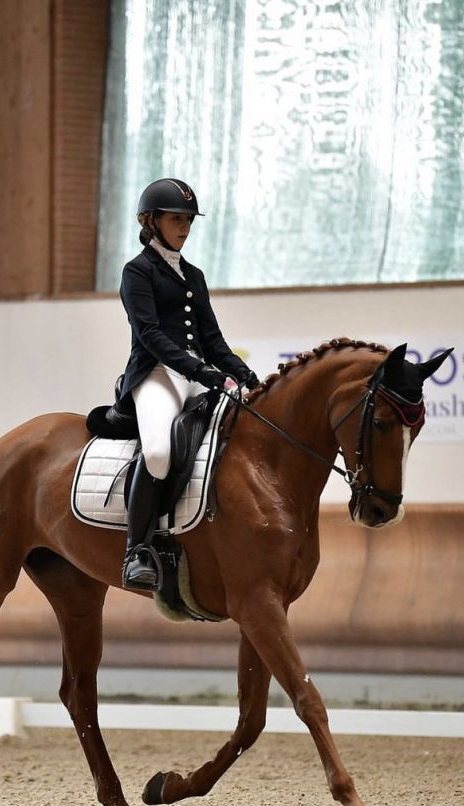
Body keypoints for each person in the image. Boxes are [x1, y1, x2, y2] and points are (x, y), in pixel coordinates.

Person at [118, 178, 258, 590]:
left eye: (188, 221)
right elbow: (150, 335)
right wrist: (203, 372)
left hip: (197, 375)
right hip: (156, 374)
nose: (184, 228)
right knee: (158, 452)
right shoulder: (137, 271)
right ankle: (137, 551)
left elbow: (213, 341)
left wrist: (245, 374)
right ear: (151, 221)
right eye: (176, 220)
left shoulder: (194, 275)